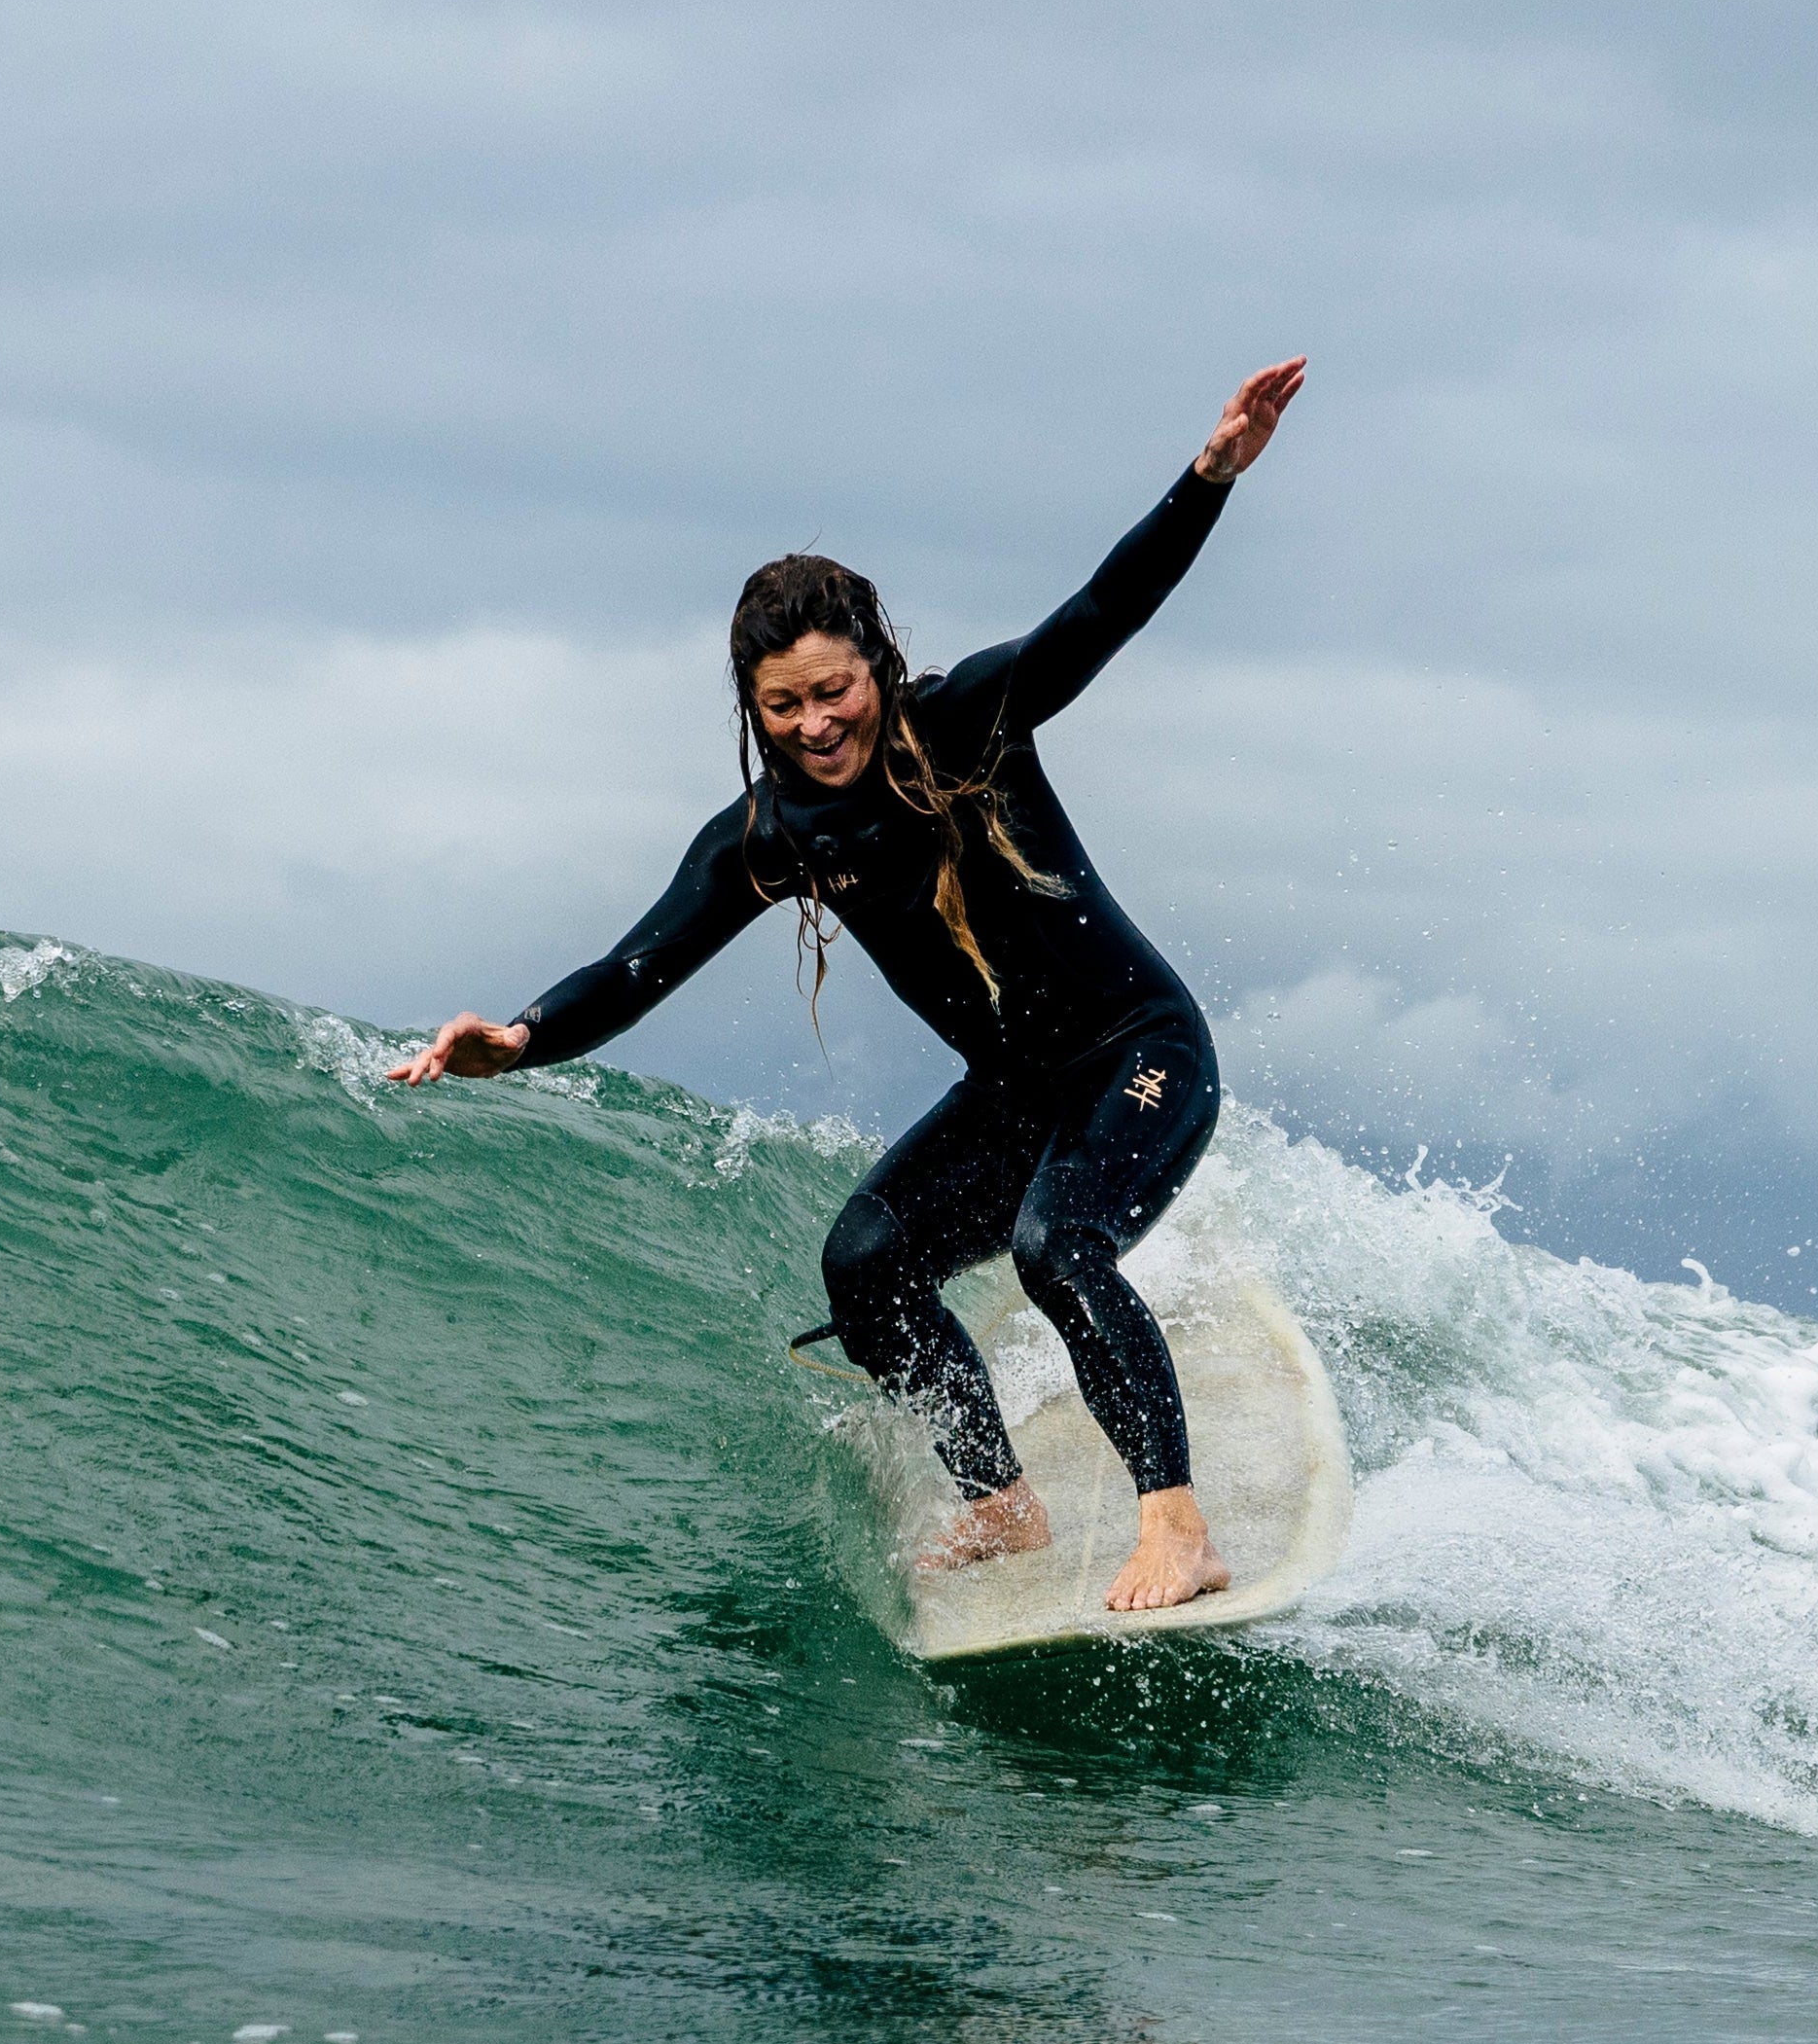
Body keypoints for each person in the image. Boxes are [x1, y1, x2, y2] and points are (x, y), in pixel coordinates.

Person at [391, 358, 1308, 1613]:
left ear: (878, 664)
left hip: (1140, 1053)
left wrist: (1207, 478)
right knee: (866, 1261)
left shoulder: (972, 721)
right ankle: (1001, 1498)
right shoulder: (768, 839)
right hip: (1020, 1088)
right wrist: (521, 1035)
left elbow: (1102, 612)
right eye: (784, 707)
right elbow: (638, 965)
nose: (817, 723)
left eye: (835, 690)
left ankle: (1176, 1523)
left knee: (1057, 1248)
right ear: (753, 711)